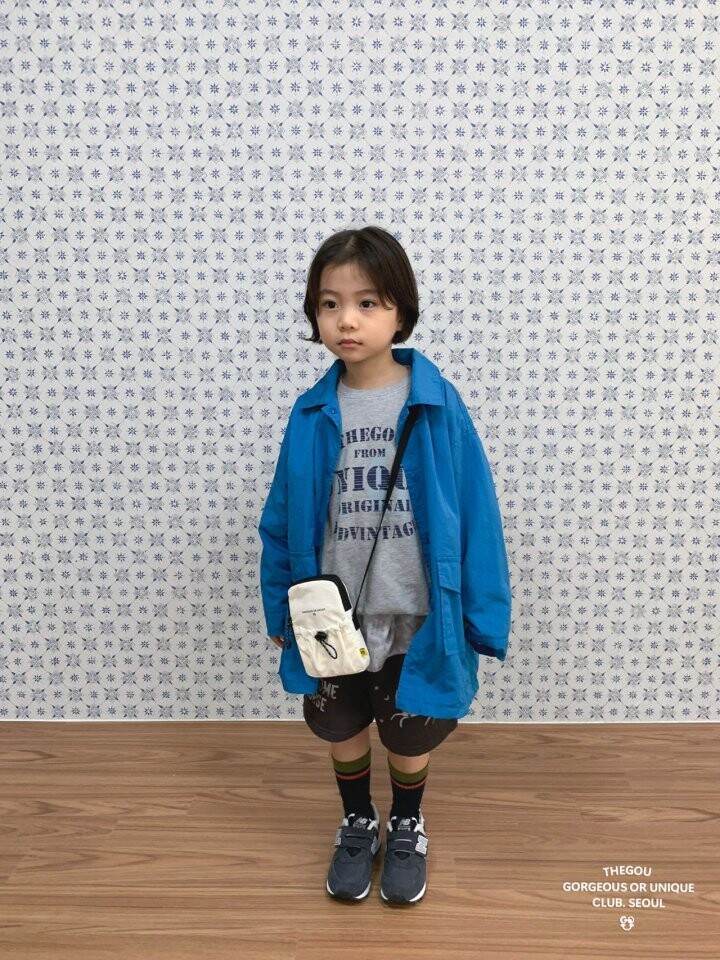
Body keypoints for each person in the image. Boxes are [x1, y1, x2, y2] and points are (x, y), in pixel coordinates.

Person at [258, 225, 511, 905]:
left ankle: (406, 823)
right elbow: (280, 519)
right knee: (341, 726)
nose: (347, 319)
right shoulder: (311, 413)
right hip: (332, 618)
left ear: (401, 312)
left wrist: (483, 615)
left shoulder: (435, 405)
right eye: (330, 303)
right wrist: (279, 606)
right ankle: (357, 822)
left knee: (410, 727)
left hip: (418, 615)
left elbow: (477, 513)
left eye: (367, 302)